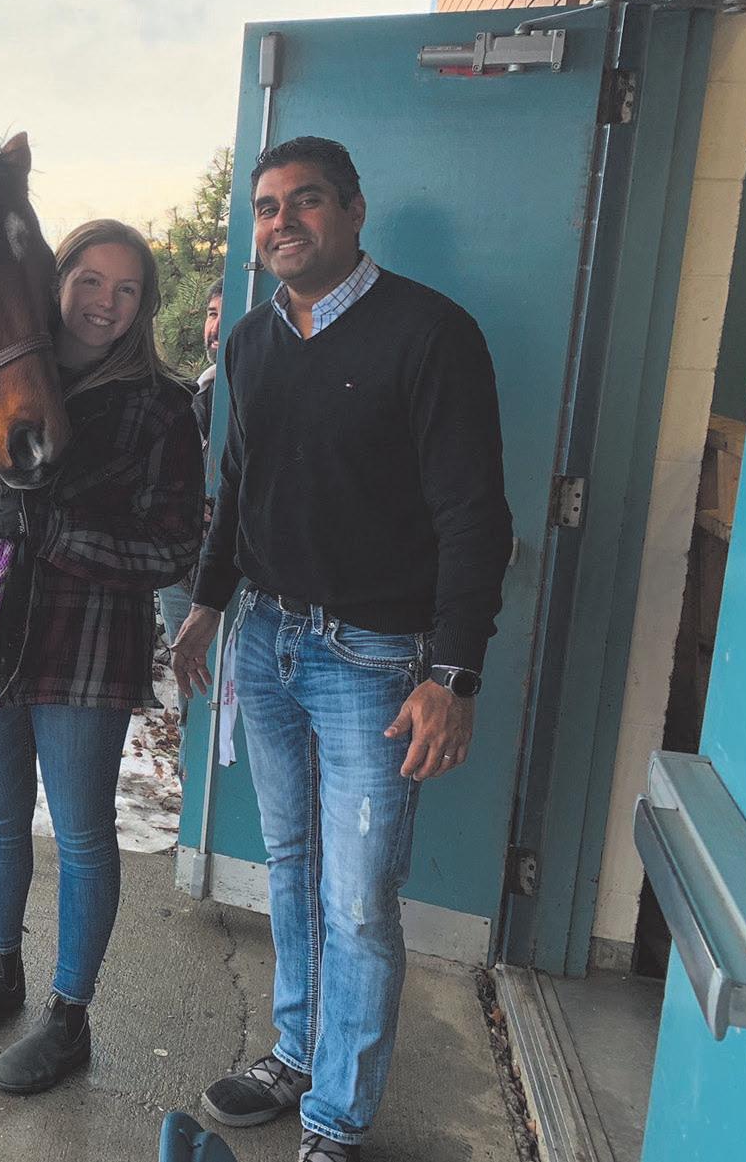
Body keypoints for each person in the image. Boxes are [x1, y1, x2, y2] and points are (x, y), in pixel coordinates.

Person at [172, 138, 512, 1162]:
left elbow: (474, 516)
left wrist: (451, 673)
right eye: (268, 207)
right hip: (266, 641)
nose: (283, 222)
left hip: (373, 658)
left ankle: (336, 1118)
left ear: (354, 211)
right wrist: (207, 603)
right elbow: (239, 483)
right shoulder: (250, 342)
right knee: (288, 863)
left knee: (358, 901)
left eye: (306, 201)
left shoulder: (431, 335)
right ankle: (295, 1052)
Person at [0, 218, 204, 1095]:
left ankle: (69, 1017)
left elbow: (171, 546)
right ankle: (1, 970)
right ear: (58, 279)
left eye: (127, 289)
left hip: (83, 652)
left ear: (144, 305)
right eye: (90, 280)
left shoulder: (159, 408)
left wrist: (51, 529)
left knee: (81, 834)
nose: (106, 302)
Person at [156, 278, 223, 663]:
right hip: (180, 574)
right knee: (190, 679)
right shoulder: (195, 394)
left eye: (226, 314)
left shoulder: (256, 392)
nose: (216, 326)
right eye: (211, 314)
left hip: (230, 576)